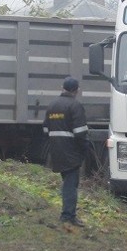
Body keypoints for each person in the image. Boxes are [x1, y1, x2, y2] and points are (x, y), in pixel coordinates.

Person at [43, 77, 89, 227]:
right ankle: (68, 216)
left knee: (67, 181)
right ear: (77, 90)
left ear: (62, 87)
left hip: (56, 150)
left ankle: (67, 213)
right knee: (71, 184)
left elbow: (45, 129)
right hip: (71, 151)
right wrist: (85, 150)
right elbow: (80, 132)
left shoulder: (52, 105)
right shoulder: (75, 106)